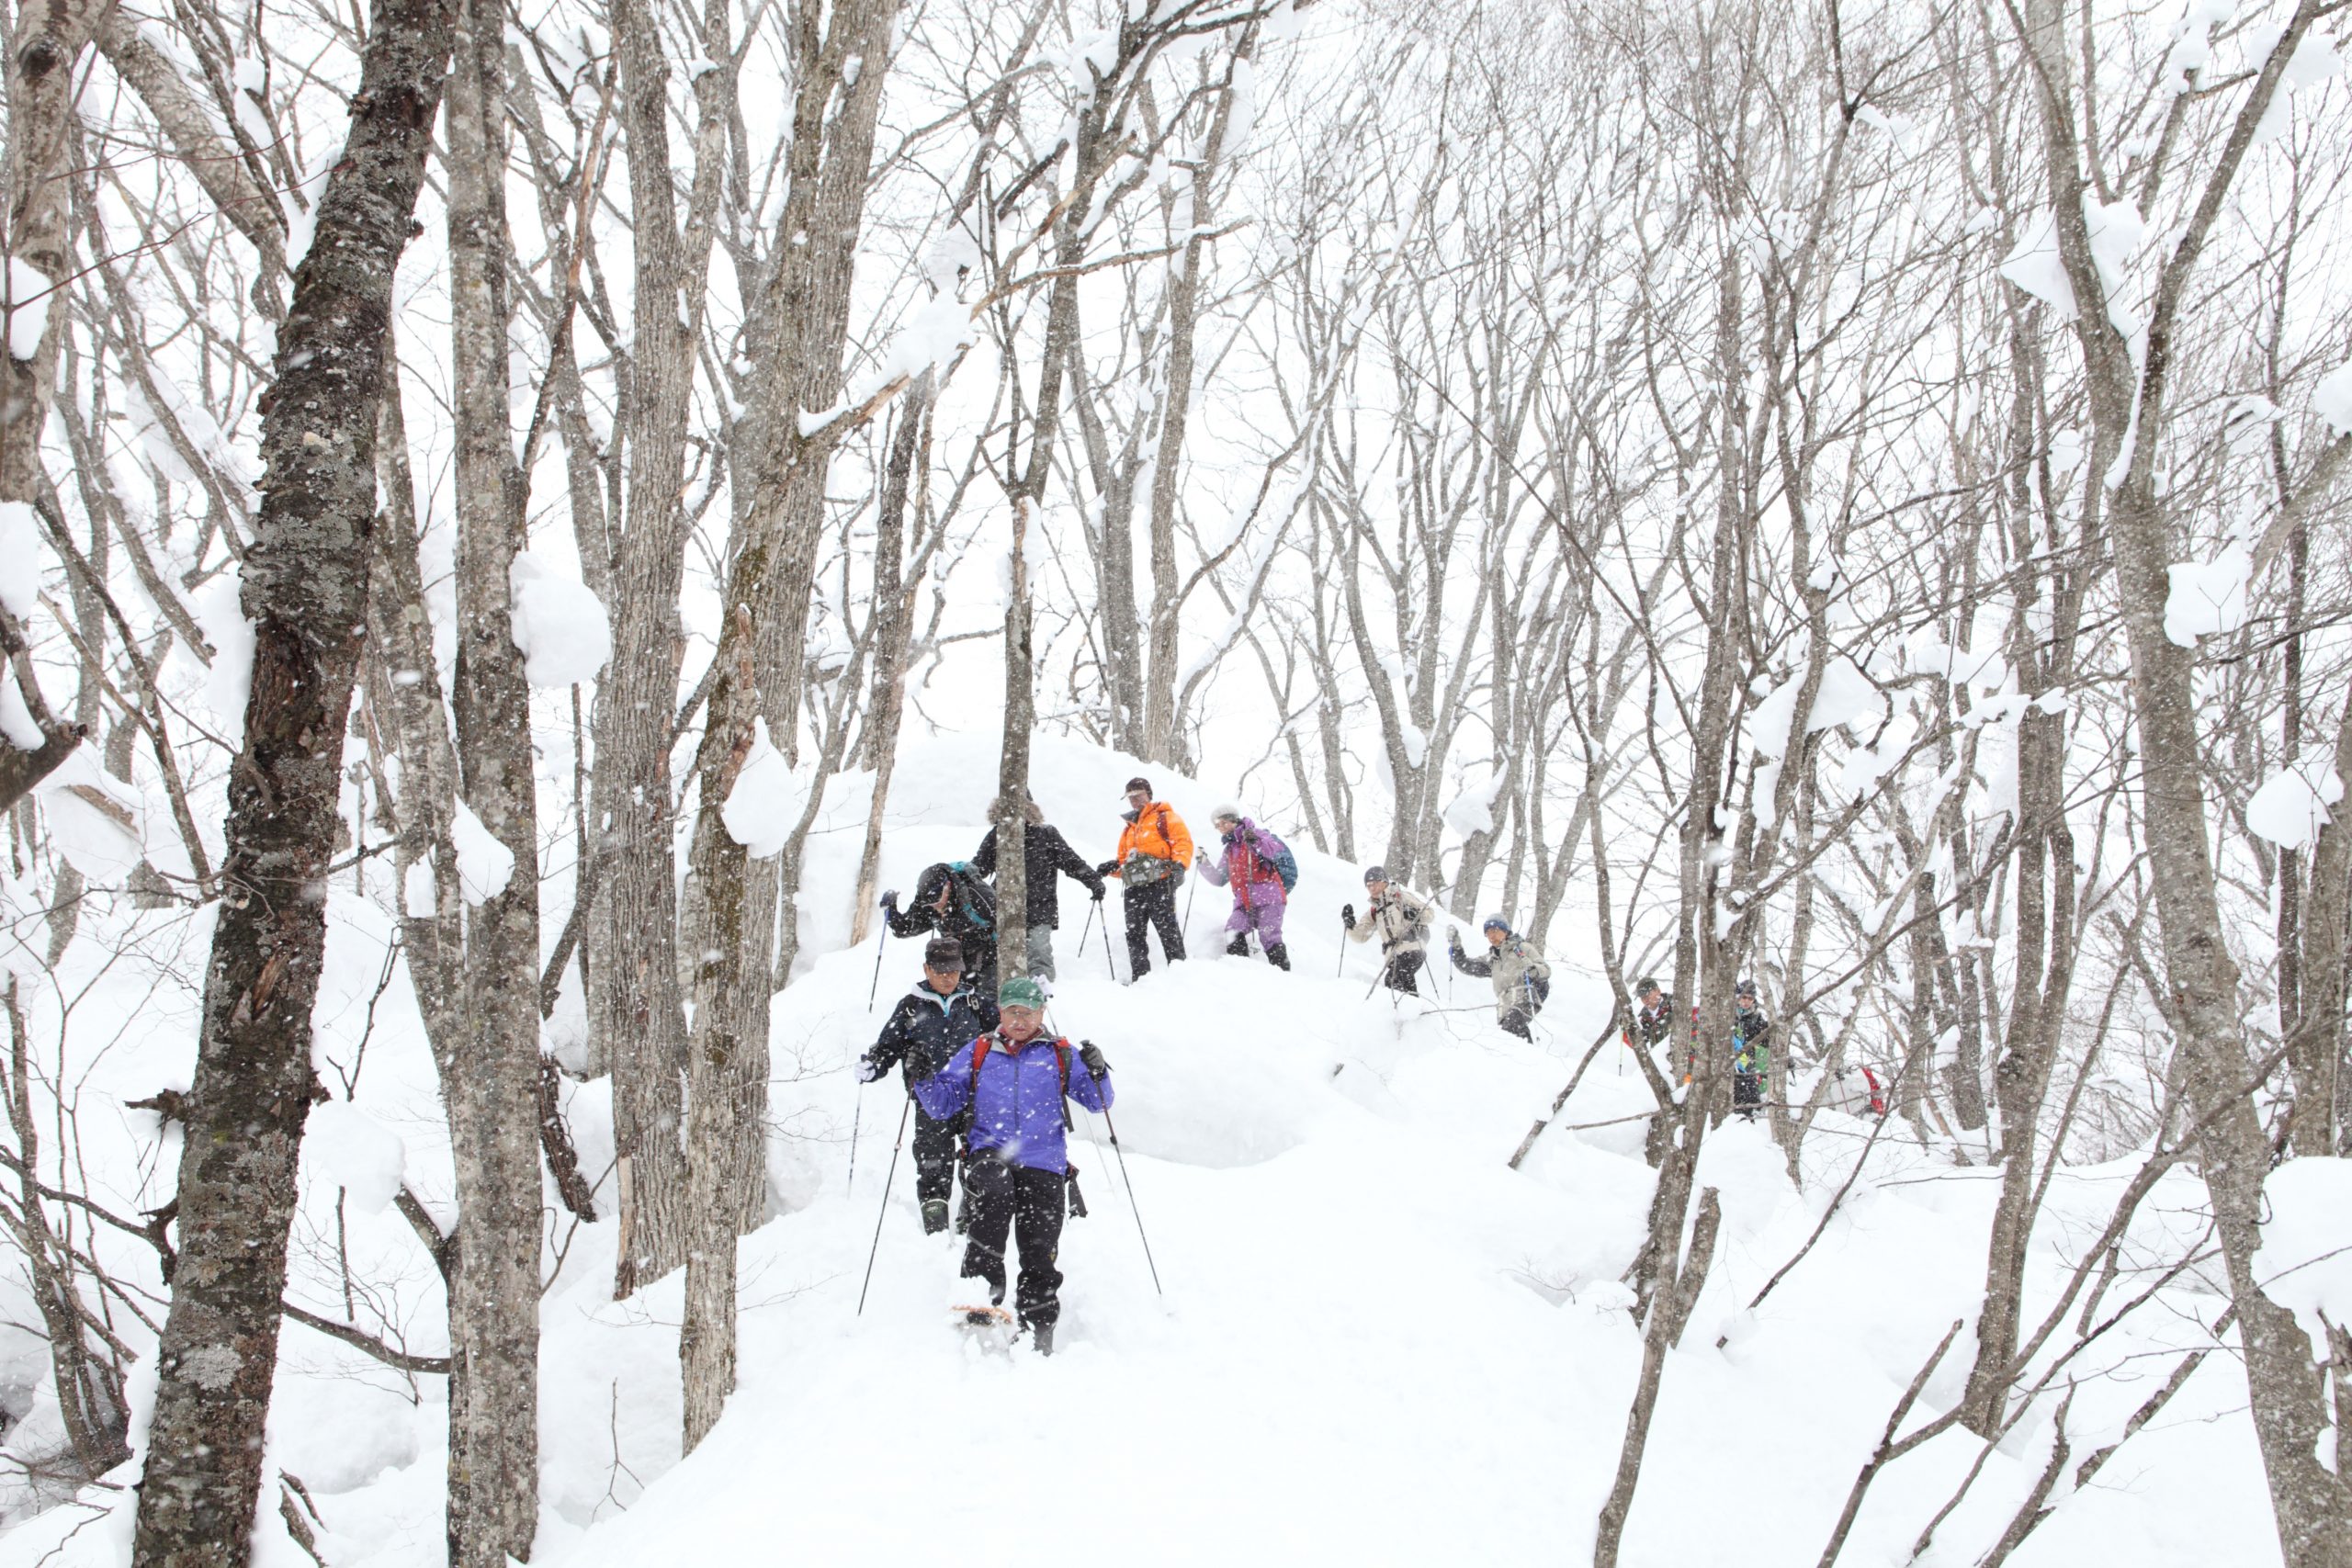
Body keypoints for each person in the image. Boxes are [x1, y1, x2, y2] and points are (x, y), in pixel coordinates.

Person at [912, 976, 1113, 1355]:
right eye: (1011, 1012)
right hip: (991, 1152)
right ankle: (981, 1295)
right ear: (1000, 1012)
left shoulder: (1059, 1054)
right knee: (992, 1193)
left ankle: (1038, 1324)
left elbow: (1098, 1102)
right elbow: (942, 1103)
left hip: (1044, 1162)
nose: (1019, 1020)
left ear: (1042, 1013)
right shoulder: (981, 1050)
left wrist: (1098, 1072)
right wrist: (923, 1078)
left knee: (1039, 1249)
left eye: (1027, 1012)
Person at [856, 938, 998, 1235]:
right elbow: (887, 1048)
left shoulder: (975, 1002)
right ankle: (935, 1228)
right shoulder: (910, 1008)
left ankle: (971, 1217)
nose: (948, 977)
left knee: (982, 1157)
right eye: (941, 970)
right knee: (932, 1162)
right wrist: (874, 1065)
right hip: (929, 1097)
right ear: (926, 969)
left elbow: (1004, 1033)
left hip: (974, 1096)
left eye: (954, 970)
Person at [971, 795, 1106, 982]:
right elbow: (979, 867)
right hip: (1006, 907)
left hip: (1041, 906)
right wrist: (961, 879)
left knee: (1038, 949)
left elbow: (1071, 862)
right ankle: (1008, 992)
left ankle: (1041, 993)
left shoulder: (1046, 834)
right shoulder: (997, 835)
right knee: (1006, 952)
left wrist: (1093, 881)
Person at [1095, 776, 1193, 979]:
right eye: (1130, 797)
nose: (1134, 801)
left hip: (1161, 883)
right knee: (1134, 934)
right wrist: (1112, 867)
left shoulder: (1166, 818)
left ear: (1149, 795)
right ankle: (1140, 979)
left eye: (1138, 796)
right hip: (1134, 888)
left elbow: (1182, 843)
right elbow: (1125, 861)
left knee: (1168, 931)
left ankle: (1181, 977)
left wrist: (1179, 866)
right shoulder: (1129, 827)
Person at [1193, 804, 1296, 970]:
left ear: (1234, 820)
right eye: (1218, 826)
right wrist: (1203, 863)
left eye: (1224, 822)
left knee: (1269, 937)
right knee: (1232, 931)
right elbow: (1219, 879)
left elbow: (1276, 851)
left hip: (1269, 898)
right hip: (1244, 903)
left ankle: (1284, 977)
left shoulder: (1257, 834)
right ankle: (1243, 973)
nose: (1221, 828)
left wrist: (1257, 842)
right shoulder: (1229, 849)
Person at [882, 862, 999, 994]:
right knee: (960, 1002)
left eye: (938, 901)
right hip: (956, 961)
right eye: (930, 903)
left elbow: (1008, 927)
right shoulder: (926, 901)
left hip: (989, 957)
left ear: (947, 886)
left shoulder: (978, 896)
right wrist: (890, 910)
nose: (936, 907)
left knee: (987, 1001)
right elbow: (906, 928)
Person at [1448, 915, 1552, 1040]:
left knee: (1513, 1025)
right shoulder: (1492, 959)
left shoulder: (1521, 948)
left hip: (1526, 994)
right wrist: (1456, 947)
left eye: (1495, 931)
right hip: (1506, 1005)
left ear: (1505, 930)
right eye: (1488, 933)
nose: (1492, 936)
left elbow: (1545, 970)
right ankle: (1527, 1055)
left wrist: (1532, 970)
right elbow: (1467, 966)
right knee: (1511, 1037)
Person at [1342, 864, 1430, 995]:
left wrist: (1414, 914)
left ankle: (1407, 1009)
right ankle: (1410, 1009)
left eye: (1374, 883)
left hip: (1413, 948)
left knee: (1394, 979)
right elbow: (1361, 936)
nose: (1371, 888)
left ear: (1384, 882)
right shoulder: (1374, 911)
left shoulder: (1401, 897)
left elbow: (1429, 913)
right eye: (1368, 886)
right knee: (1399, 983)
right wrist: (1349, 923)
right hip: (1394, 957)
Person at [1732, 977, 1771, 1122]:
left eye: (1750, 998)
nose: (1746, 1001)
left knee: (1750, 1096)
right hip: (1728, 1064)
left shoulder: (1756, 1019)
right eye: (1744, 997)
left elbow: (1767, 1041)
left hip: (1747, 1064)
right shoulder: (1729, 1015)